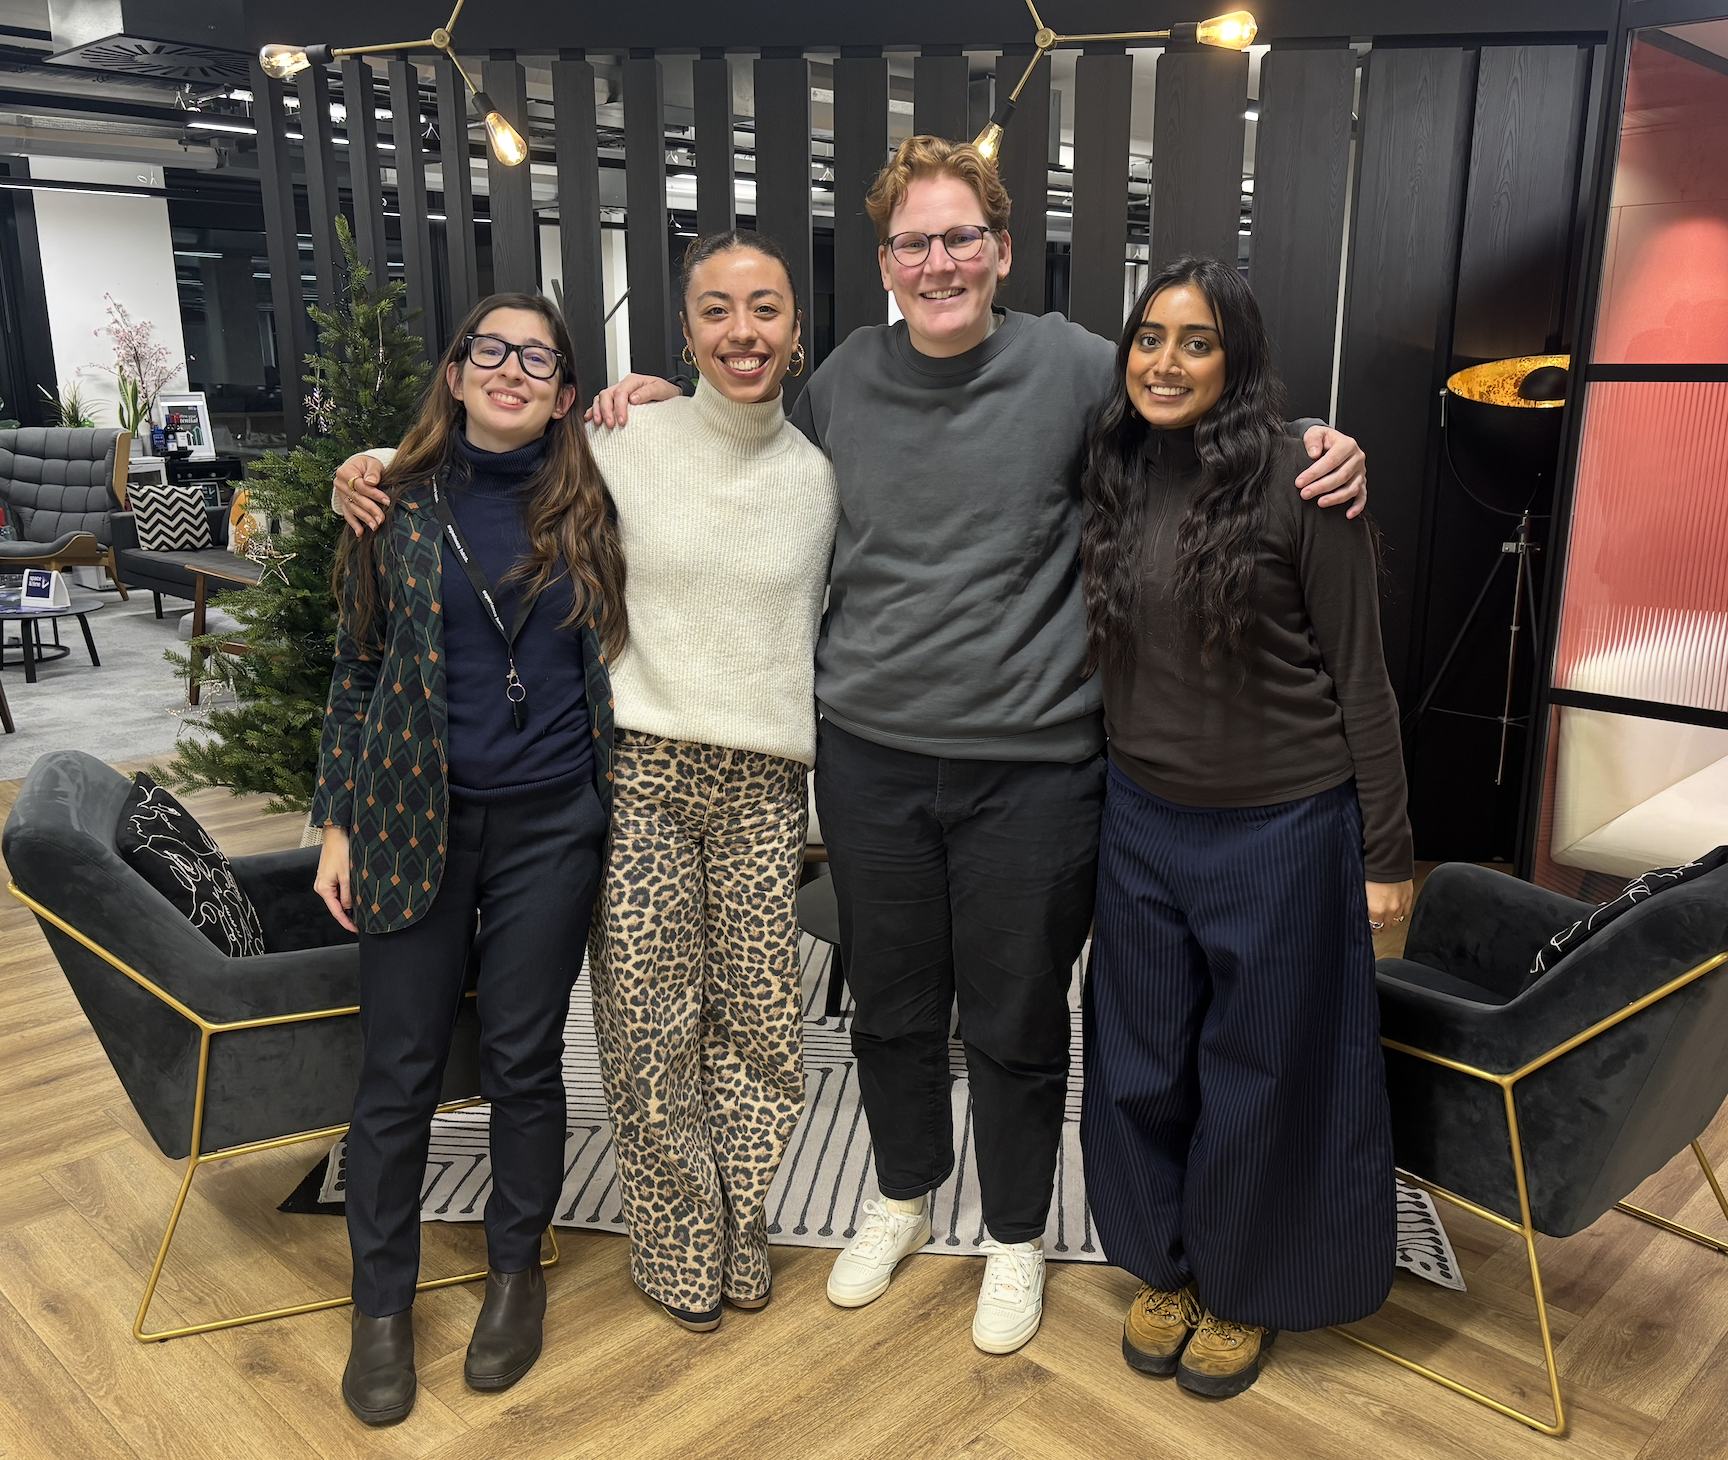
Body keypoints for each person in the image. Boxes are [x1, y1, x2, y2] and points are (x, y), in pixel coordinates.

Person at [580, 135, 1371, 1356]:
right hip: (871, 755)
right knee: (892, 1008)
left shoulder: (1072, 366)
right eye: (913, 242)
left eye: (961, 237)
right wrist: (645, 397)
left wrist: (1319, 435)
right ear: (885, 262)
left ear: (1003, 248)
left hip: (1037, 765)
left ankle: (1011, 1232)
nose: (938, 260)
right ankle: (900, 1193)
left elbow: (1195, 396)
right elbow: (740, 449)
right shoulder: (840, 377)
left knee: (1013, 1015)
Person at [328, 231, 838, 1334]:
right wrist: (361, 466)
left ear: (798, 330)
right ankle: (669, 1246)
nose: (741, 331)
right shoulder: (622, 441)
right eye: (715, 309)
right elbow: (449, 484)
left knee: (760, 1028)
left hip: (737, 787)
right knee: (643, 1033)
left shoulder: (820, 466)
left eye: (765, 309)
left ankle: (730, 1225)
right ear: (686, 326)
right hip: (636, 772)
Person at [1079, 256, 1411, 1399]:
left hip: (1283, 826)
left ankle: (1243, 1283)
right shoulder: (1112, 463)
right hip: (1141, 821)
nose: (1165, 361)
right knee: (1139, 1060)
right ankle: (1166, 1263)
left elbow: (1363, 680)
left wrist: (1387, 855)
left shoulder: (1306, 480)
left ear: (1241, 360)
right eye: (1149, 336)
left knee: (1265, 1072)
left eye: (1197, 341)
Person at [311, 292, 625, 1425]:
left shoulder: (594, 500)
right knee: (397, 1072)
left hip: (552, 826)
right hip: (409, 819)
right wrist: (338, 819)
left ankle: (511, 1276)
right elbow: (354, 669)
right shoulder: (389, 505)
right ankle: (381, 1306)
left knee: (524, 1061)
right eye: (488, 349)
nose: (509, 368)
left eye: (534, 358)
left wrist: (658, 392)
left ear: (562, 393)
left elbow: (682, 431)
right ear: (455, 374)